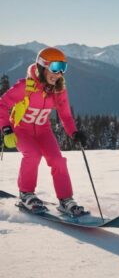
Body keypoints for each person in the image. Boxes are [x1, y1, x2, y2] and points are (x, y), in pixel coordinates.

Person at [0, 47, 88, 216]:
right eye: (55, 67)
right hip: (21, 130)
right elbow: (2, 105)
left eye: (63, 68)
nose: (59, 73)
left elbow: (65, 116)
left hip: (43, 131)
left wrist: (74, 133)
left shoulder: (58, 90)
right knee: (32, 155)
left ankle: (66, 199)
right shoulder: (25, 87)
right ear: (42, 66)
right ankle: (26, 194)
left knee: (58, 160)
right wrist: (6, 129)